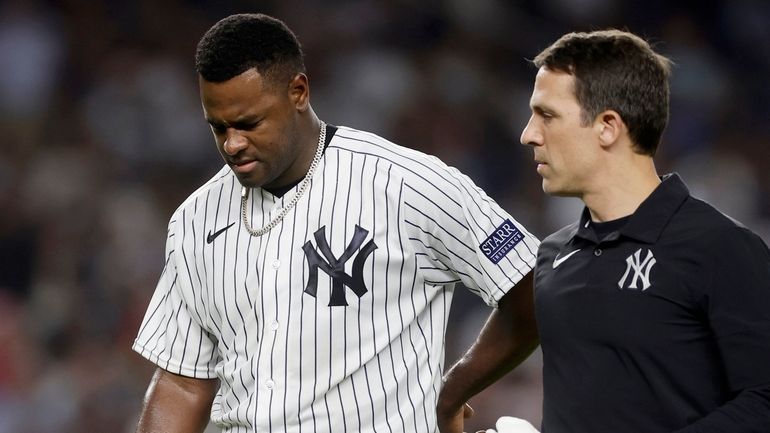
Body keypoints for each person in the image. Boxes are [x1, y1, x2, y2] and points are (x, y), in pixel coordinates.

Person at [132, 13, 540, 433]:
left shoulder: (403, 184)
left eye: (250, 123)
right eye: (218, 128)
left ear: (298, 92)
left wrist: (453, 390)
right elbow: (182, 382)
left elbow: (530, 285)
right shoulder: (195, 219)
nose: (233, 143)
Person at [520, 29, 770, 432]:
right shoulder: (553, 256)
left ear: (607, 127)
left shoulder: (719, 248)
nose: (528, 133)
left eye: (547, 115)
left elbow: (764, 399)